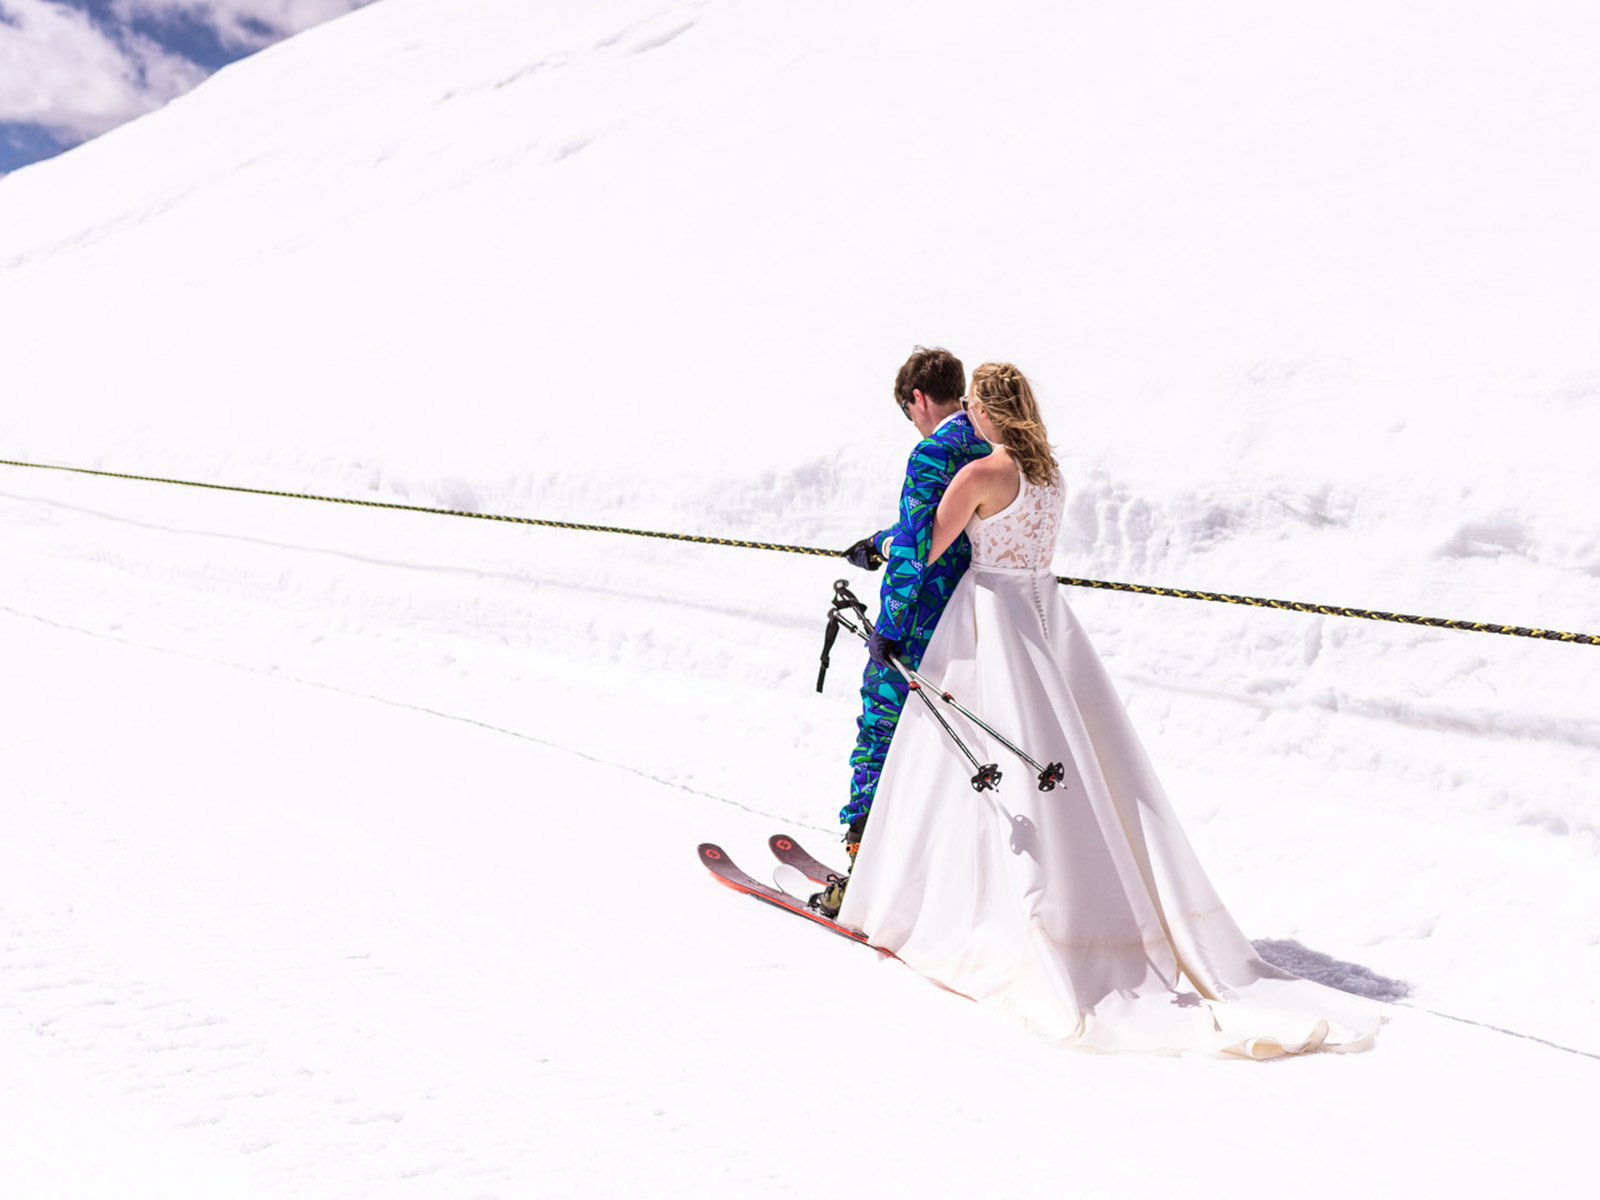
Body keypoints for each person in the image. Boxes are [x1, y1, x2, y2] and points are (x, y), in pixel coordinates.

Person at [836, 363, 1383, 1057]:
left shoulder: (979, 476)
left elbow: (926, 548)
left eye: (973, 406)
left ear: (988, 410)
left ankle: (967, 908)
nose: (967, 417)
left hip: (989, 624)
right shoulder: (1049, 475)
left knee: (975, 762)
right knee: (1076, 763)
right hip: (1045, 623)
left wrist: (884, 582)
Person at [813, 347, 991, 918]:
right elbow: (943, 526)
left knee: (879, 737)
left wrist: (886, 631)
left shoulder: (933, 451)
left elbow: (918, 550)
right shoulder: (988, 442)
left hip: (918, 625)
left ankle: (860, 877)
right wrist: (878, 543)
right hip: (974, 623)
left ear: (918, 398)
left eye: (909, 411)